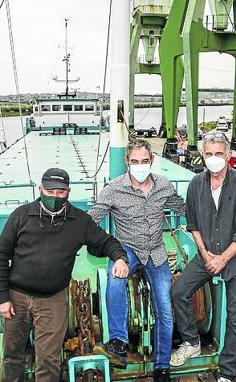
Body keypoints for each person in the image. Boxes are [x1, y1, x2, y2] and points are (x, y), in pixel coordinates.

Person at [0, 168, 129, 382]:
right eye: (50, 191)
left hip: (53, 301)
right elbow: (1, 257)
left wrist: (120, 258)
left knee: (49, 360)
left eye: (60, 192)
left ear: (68, 193)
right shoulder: (21, 216)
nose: (55, 196)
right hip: (16, 298)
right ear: (40, 189)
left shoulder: (79, 221)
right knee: (12, 355)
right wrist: (3, 299)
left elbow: (106, 242)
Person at [88, 140, 185, 382]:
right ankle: (119, 343)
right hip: (126, 250)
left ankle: (162, 366)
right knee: (115, 281)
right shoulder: (113, 189)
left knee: (164, 306)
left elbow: (184, 208)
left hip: (156, 253)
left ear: (151, 161)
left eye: (144, 161)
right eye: (134, 162)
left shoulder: (163, 185)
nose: (140, 166)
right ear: (127, 162)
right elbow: (91, 221)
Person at [170, 134, 236, 382]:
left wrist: (222, 260)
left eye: (218, 154)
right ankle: (191, 342)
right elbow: (193, 224)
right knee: (179, 292)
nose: (213, 159)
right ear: (203, 155)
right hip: (208, 253)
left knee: (235, 318)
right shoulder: (196, 184)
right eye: (208, 154)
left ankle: (227, 374)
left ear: (228, 154)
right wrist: (205, 254)